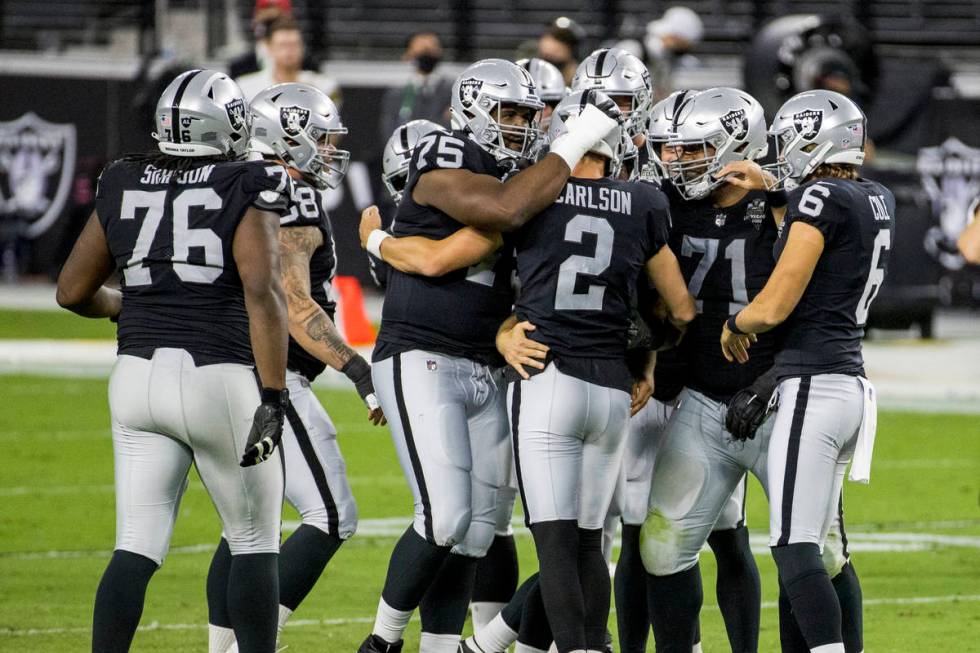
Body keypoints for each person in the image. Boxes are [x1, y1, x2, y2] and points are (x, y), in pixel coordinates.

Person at [356, 59, 620, 653]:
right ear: (473, 110)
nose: (521, 124)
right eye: (509, 111)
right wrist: (571, 145)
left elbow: (521, 259)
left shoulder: (528, 175)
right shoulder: (444, 153)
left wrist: (504, 324)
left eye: (529, 113)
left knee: (479, 532)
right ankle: (381, 640)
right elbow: (498, 217)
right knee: (445, 517)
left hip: (491, 364)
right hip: (422, 355)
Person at [55, 69, 290, 653]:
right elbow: (264, 293)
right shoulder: (247, 179)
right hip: (218, 377)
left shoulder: (123, 177)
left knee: (135, 545)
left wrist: (122, 308)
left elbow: (72, 291)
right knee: (255, 540)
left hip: (135, 376)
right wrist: (275, 395)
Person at [500, 90, 693, 653]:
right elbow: (680, 309)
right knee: (590, 542)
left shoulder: (537, 199)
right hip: (612, 386)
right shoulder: (644, 202)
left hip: (548, 375)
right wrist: (648, 350)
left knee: (556, 546)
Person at [203, 82, 385, 653]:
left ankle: (220, 647)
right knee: (332, 514)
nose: (330, 150)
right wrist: (359, 370)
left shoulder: (233, 181)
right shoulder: (287, 192)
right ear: (287, 134)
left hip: (219, 370)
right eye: (322, 137)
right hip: (272, 377)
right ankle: (253, 643)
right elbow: (292, 304)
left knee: (244, 524)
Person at [719, 89, 893, 653]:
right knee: (818, 546)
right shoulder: (875, 195)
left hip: (813, 386)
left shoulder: (818, 197)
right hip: (851, 387)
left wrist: (735, 323)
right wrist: (776, 191)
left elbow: (774, 306)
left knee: (794, 546)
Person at [638, 87, 775, 653]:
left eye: (691, 149)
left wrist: (772, 381)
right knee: (663, 547)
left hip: (778, 396)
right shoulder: (664, 202)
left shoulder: (787, 205)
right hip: (696, 395)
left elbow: (822, 311)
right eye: (670, 150)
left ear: (736, 145)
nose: (675, 162)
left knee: (818, 549)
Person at [367, 119, 448, 289]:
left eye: (421, 177)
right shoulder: (393, 235)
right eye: (402, 181)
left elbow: (431, 262)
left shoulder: (477, 216)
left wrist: (374, 240)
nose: (412, 190)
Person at [236, 17, 338, 103]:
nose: (290, 50)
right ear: (269, 48)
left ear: (302, 47)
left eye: (294, 44)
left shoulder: (323, 87)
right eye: (283, 45)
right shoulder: (245, 87)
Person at [378, 31, 454, 144]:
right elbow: (390, 133)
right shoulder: (397, 95)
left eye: (431, 49)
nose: (427, 55)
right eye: (422, 50)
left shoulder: (454, 92)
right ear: (408, 54)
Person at [538, 18, 582, 85]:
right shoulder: (531, 72)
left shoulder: (581, 78)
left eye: (564, 40)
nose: (556, 45)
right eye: (554, 38)